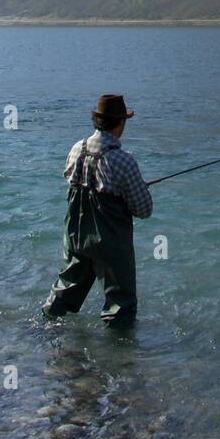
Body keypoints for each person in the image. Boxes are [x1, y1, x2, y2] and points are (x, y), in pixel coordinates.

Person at [43, 94, 152, 326]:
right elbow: (143, 209)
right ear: (120, 123)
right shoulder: (124, 160)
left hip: (75, 234)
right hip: (109, 241)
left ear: (97, 120)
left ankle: (43, 329)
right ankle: (120, 356)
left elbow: (73, 184)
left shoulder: (75, 149)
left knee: (67, 286)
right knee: (120, 304)